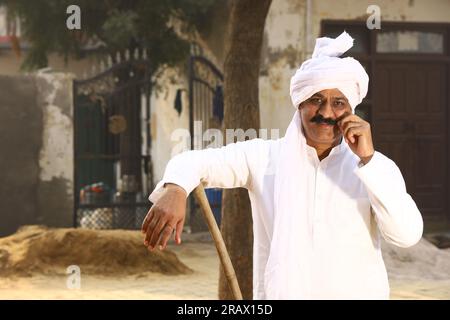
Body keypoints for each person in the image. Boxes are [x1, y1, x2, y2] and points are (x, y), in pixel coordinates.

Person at [141, 31, 423, 299]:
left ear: (351, 109)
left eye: (338, 102)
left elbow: (406, 235)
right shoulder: (264, 158)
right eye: (316, 99)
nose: (326, 112)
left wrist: (368, 161)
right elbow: (195, 160)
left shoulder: (376, 168)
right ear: (300, 104)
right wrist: (176, 188)